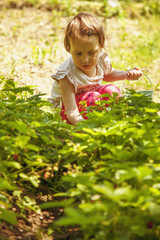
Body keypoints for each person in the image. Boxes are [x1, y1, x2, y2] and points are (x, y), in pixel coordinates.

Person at [50, 12, 143, 125]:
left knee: (112, 91)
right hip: (67, 111)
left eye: (91, 53)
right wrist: (85, 127)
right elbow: (71, 112)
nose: (85, 59)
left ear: (100, 46)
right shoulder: (67, 75)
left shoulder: (100, 60)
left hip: (90, 100)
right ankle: (94, 127)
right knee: (94, 97)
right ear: (69, 48)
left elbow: (108, 75)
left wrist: (126, 74)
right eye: (78, 54)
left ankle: (117, 121)